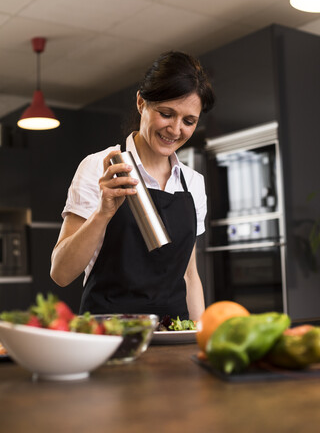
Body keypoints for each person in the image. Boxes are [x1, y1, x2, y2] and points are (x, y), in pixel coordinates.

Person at [50, 51, 214, 321]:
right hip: (107, 335)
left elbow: (189, 275)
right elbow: (61, 273)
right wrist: (103, 212)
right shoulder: (98, 167)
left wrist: (202, 338)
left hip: (172, 337)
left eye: (188, 121)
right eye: (166, 113)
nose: (175, 130)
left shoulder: (193, 183)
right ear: (141, 103)